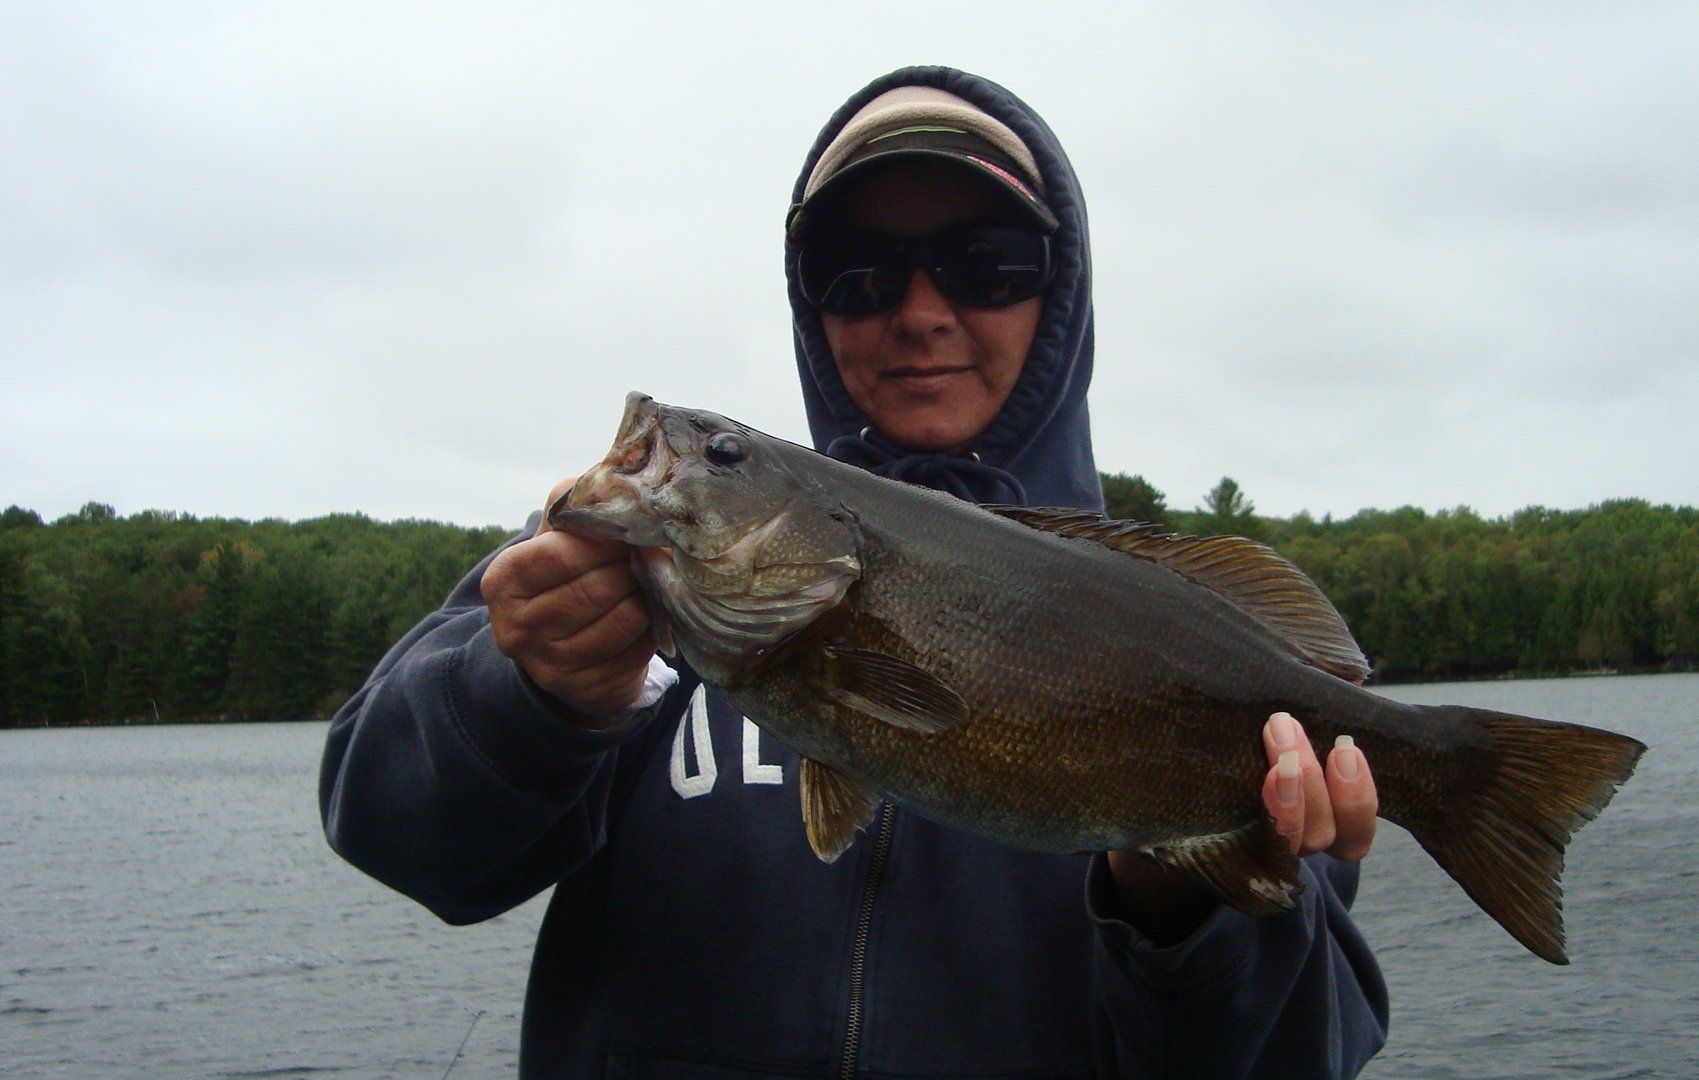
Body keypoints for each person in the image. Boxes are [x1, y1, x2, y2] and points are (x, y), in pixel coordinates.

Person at [321, 66, 1388, 1077]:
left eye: (988, 260)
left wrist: (1185, 900)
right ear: (808, 301)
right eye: (858, 270)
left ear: (1060, 295)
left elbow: (1297, 1057)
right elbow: (392, 835)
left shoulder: (1184, 628)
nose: (921, 311)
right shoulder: (617, 573)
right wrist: (525, 699)